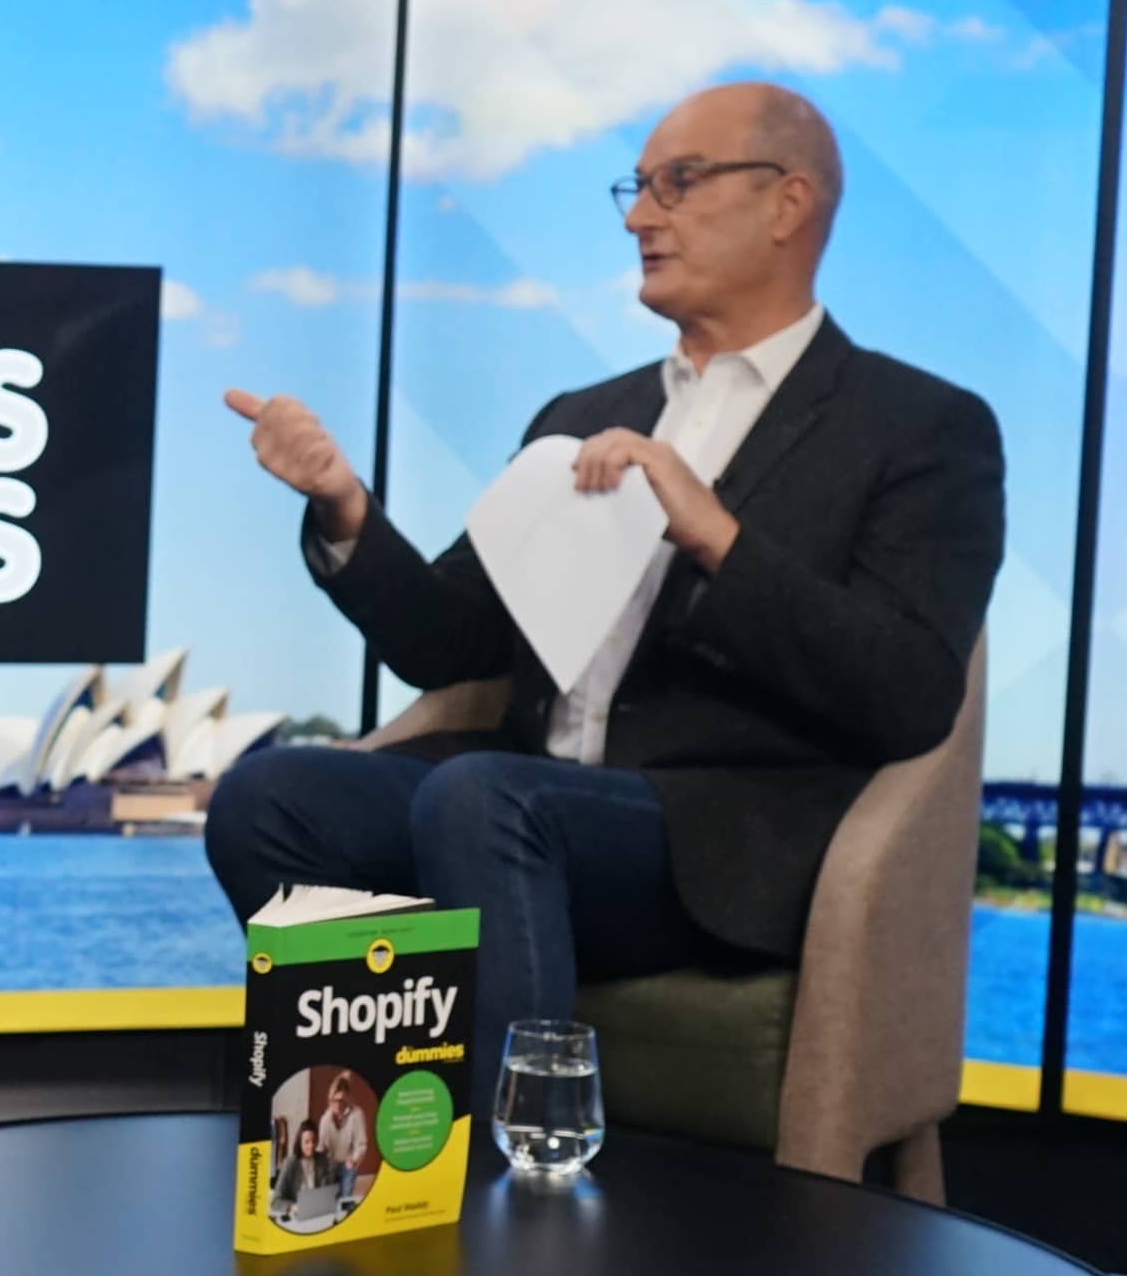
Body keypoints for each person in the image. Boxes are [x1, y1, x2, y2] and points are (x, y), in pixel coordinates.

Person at [204, 80, 1003, 1126]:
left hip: (713, 842)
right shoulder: (584, 415)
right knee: (267, 797)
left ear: (787, 202)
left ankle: (509, 1193)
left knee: (486, 798)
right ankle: (363, 1148)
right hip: (509, 804)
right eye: (636, 187)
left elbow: (906, 691)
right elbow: (450, 641)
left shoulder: (920, 428)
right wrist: (344, 506)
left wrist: (715, 534)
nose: (638, 215)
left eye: (677, 182)